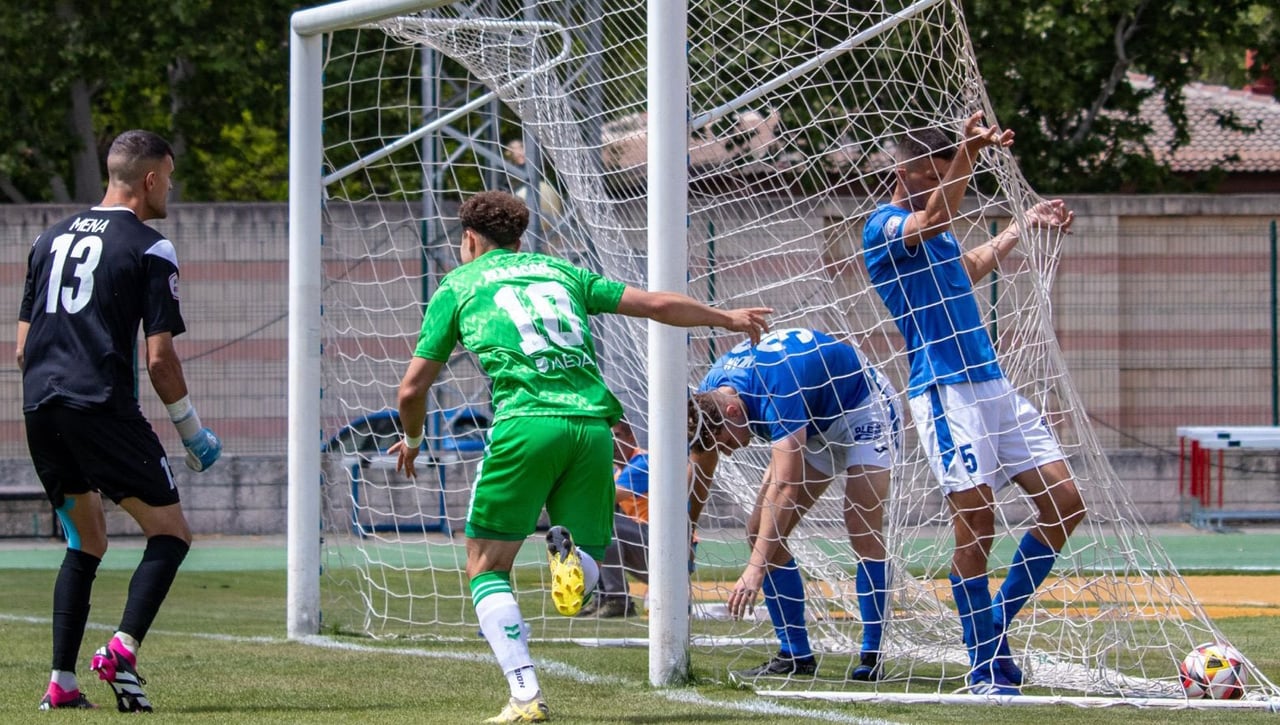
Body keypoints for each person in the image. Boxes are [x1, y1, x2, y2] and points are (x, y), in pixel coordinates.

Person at [389, 190, 770, 723]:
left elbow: (411, 390)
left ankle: (525, 694)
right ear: (519, 239)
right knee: (589, 557)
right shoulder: (561, 272)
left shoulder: (459, 284)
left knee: (485, 567)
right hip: (594, 430)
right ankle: (573, 564)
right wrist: (725, 317)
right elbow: (656, 305)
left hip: (526, 424)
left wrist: (412, 440)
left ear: (470, 239)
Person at [860, 113, 1087, 695]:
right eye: (937, 175)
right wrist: (968, 152)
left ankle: (991, 626)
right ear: (906, 172)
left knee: (1066, 505)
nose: (947, 185)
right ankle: (984, 664)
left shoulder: (935, 235)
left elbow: (966, 268)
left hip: (992, 387)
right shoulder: (883, 226)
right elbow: (936, 217)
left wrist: (1021, 226)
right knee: (977, 526)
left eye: (949, 174)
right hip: (944, 392)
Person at [17, 130, 222, 712]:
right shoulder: (151, 247)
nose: (171, 190)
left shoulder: (48, 238)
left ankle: (61, 684)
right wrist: (193, 433)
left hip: (40, 405)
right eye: (170, 178)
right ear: (150, 179)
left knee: (85, 539)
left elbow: (22, 348)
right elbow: (160, 360)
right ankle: (122, 651)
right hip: (100, 405)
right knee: (171, 533)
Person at [686, 327, 899, 682]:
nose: (726, 452)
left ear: (734, 410)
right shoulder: (710, 395)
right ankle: (796, 655)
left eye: (724, 442)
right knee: (760, 532)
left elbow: (787, 484)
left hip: (862, 407)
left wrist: (754, 571)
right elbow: (701, 468)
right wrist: (687, 531)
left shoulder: (776, 386)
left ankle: (872, 654)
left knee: (860, 521)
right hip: (813, 422)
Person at [577, 418, 649, 618]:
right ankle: (603, 597)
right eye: (608, 438)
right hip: (645, 546)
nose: (613, 443)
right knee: (592, 524)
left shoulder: (643, 462)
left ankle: (618, 599)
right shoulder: (616, 471)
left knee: (601, 522)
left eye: (617, 436)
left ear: (631, 438)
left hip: (669, 548)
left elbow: (607, 497)